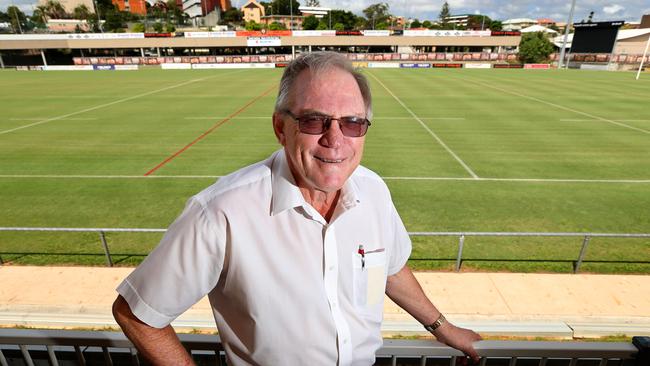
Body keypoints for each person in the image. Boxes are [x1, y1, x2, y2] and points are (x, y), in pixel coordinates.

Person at [112, 51, 481, 365]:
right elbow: (138, 314)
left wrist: (443, 328)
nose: (334, 140)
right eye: (313, 120)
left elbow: (388, 268)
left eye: (353, 123)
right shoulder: (221, 213)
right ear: (280, 127)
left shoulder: (374, 191)